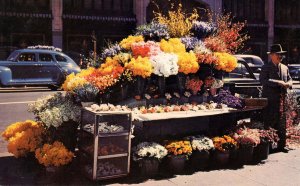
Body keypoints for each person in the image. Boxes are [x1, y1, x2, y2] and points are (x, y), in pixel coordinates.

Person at [259, 44, 293, 152]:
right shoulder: (266, 67)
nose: (280, 56)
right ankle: (268, 147)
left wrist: (288, 84)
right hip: (270, 101)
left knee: (282, 124)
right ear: (271, 55)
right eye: (278, 54)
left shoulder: (285, 67)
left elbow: (290, 80)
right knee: (269, 123)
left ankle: (282, 145)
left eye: (281, 55)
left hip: (282, 101)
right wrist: (278, 82)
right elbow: (263, 80)